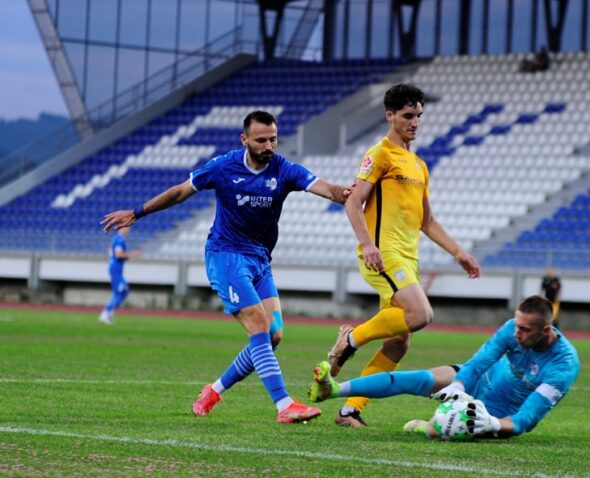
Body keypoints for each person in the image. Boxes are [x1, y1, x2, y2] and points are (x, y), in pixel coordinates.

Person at [101, 110, 349, 424]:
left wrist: (346, 194)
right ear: (244, 140)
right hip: (226, 256)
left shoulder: (284, 169)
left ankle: (214, 390)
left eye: (273, 138)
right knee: (259, 327)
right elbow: (180, 191)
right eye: (261, 140)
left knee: (273, 335)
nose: (268, 145)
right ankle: (284, 404)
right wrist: (137, 212)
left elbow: (327, 189)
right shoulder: (223, 166)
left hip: (260, 259)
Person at [326, 83, 481, 427]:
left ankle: (350, 410)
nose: (415, 122)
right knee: (422, 313)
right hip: (383, 254)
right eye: (408, 115)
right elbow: (353, 201)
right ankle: (349, 340)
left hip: (408, 258)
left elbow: (427, 220)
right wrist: (367, 244)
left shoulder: (419, 166)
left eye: (419, 116)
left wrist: (459, 252)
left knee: (399, 344)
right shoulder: (379, 154)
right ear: (390, 116)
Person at [308, 295, 579, 440]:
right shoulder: (512, 329)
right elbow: (477, 364)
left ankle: (424, 426)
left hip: (495, 413)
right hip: (480, 380)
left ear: (546, 330)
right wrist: (458, 388)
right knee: (416, 378)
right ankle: (332, 390)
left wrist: (493, 423)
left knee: (441, 430)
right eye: (516, 325)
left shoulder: (563, 366)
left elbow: (527, 418)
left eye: (524, 329)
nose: (516, 332)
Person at [98, 226, 140, 325]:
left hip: (117, 269)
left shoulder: (118, 239)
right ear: (121, 228)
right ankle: (105, 314)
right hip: (115, 269)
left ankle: (108, 312)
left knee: (124, 291)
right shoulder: (119, 240)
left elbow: (119, 255)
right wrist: (132, 254)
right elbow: (118, 255)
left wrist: (127, 256)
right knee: (119, 291)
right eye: (127, 227)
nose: (129, 229)